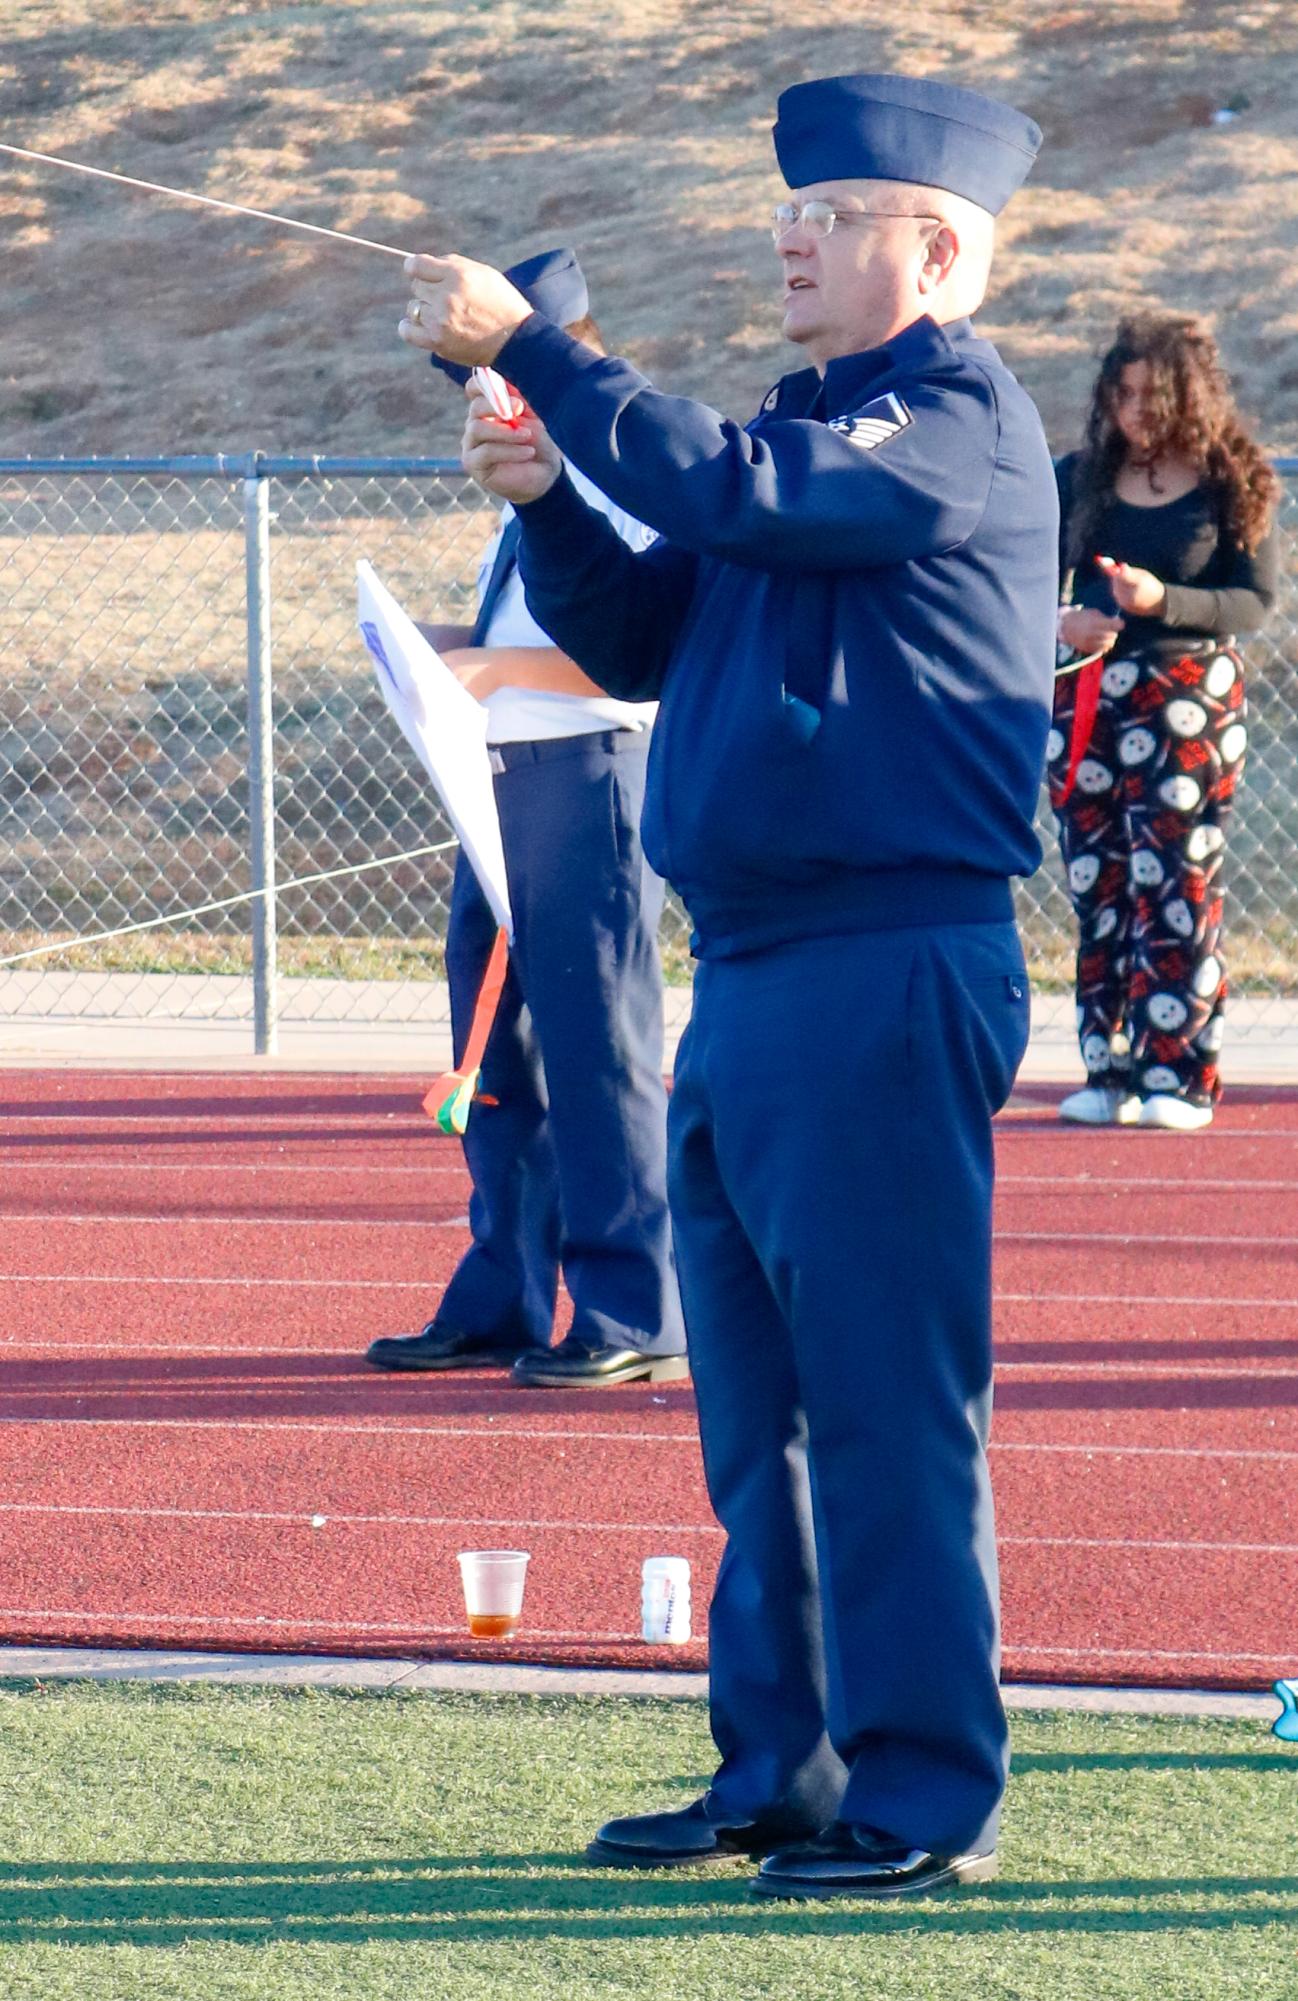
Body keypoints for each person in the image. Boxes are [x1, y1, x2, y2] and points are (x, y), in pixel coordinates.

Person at [398, 72, 1055, 1898]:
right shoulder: (810, 436)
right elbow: (653, 628)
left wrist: (540, 348)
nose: (790, 232)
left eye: (834, 214)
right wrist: (548, 501)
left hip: (879, 960)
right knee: (753, 1408)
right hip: (762, 971)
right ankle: (782, 1763)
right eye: (800, 208)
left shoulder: (955, 424)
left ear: (932, 254)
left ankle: (922, 1796)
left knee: (881, 1401)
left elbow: (729, 496)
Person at [367, 248, 686, 1388]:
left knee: (598, 1054)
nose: (475, 401)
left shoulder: (627, 459)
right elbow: (533, 624)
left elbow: (640, 657)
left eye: (484, 369)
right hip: (500, 781)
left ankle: (631, 1310)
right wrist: (438, 654)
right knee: (492, 1053)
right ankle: (503, 1290)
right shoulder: (538, 456)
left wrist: (489, 673)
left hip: (591, 778)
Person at [1051, 316, 1279, 1132]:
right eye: (1123, 393)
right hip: (1088, 699)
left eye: (1153, 394)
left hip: (1190, 698)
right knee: (1098, 884)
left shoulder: (1233, 481)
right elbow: (1012, 585)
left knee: (1175, 882)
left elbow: (1252, 602)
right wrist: (1063, 621)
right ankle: (1107, 1071)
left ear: (1191, 396)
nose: (1136, 409)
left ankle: (1178, 1075)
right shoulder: (1076, 478)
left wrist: (1161, 601)